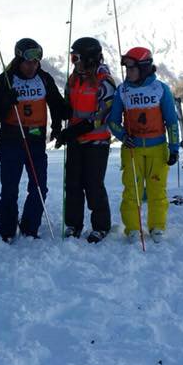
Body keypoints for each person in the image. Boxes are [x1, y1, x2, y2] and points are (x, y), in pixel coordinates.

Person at [0, 38, 65, 243]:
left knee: (39, 186)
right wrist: (7, 101)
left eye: (36, 61)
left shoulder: (44, 78)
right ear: (19, 59)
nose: (33, 66)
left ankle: (30, 226)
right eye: (28, 62)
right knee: (10, 187)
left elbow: (56, 104)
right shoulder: (5, 79)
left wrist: (58, 125)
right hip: (11, 138)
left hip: (35, 137)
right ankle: (7, 230)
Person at [108, 47, 180, 243]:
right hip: (133, 149)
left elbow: (172, 122)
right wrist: (123, 135)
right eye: (126, 69)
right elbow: (112, 121)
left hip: (158, 149)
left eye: (132, 68)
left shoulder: (160, 89)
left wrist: (174, 149)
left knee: (157, 190)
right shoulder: (122, 90)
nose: (128, 73)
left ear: (144, 68)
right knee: (132, 190)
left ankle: (157, 226)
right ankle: (132, 228)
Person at [53, 37, 116, 243]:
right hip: (76, 141)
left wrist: (73, 131)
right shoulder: (75, 78)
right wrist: (62, 113)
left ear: (90, 58)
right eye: (72, 57)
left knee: (93, 185)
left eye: (77, 57)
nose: (74, 61)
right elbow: (69, 105)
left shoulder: (104, 81)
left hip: (96, 142)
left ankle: (101, 226)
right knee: (72, 184)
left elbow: (101, 117)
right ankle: (73, 224)